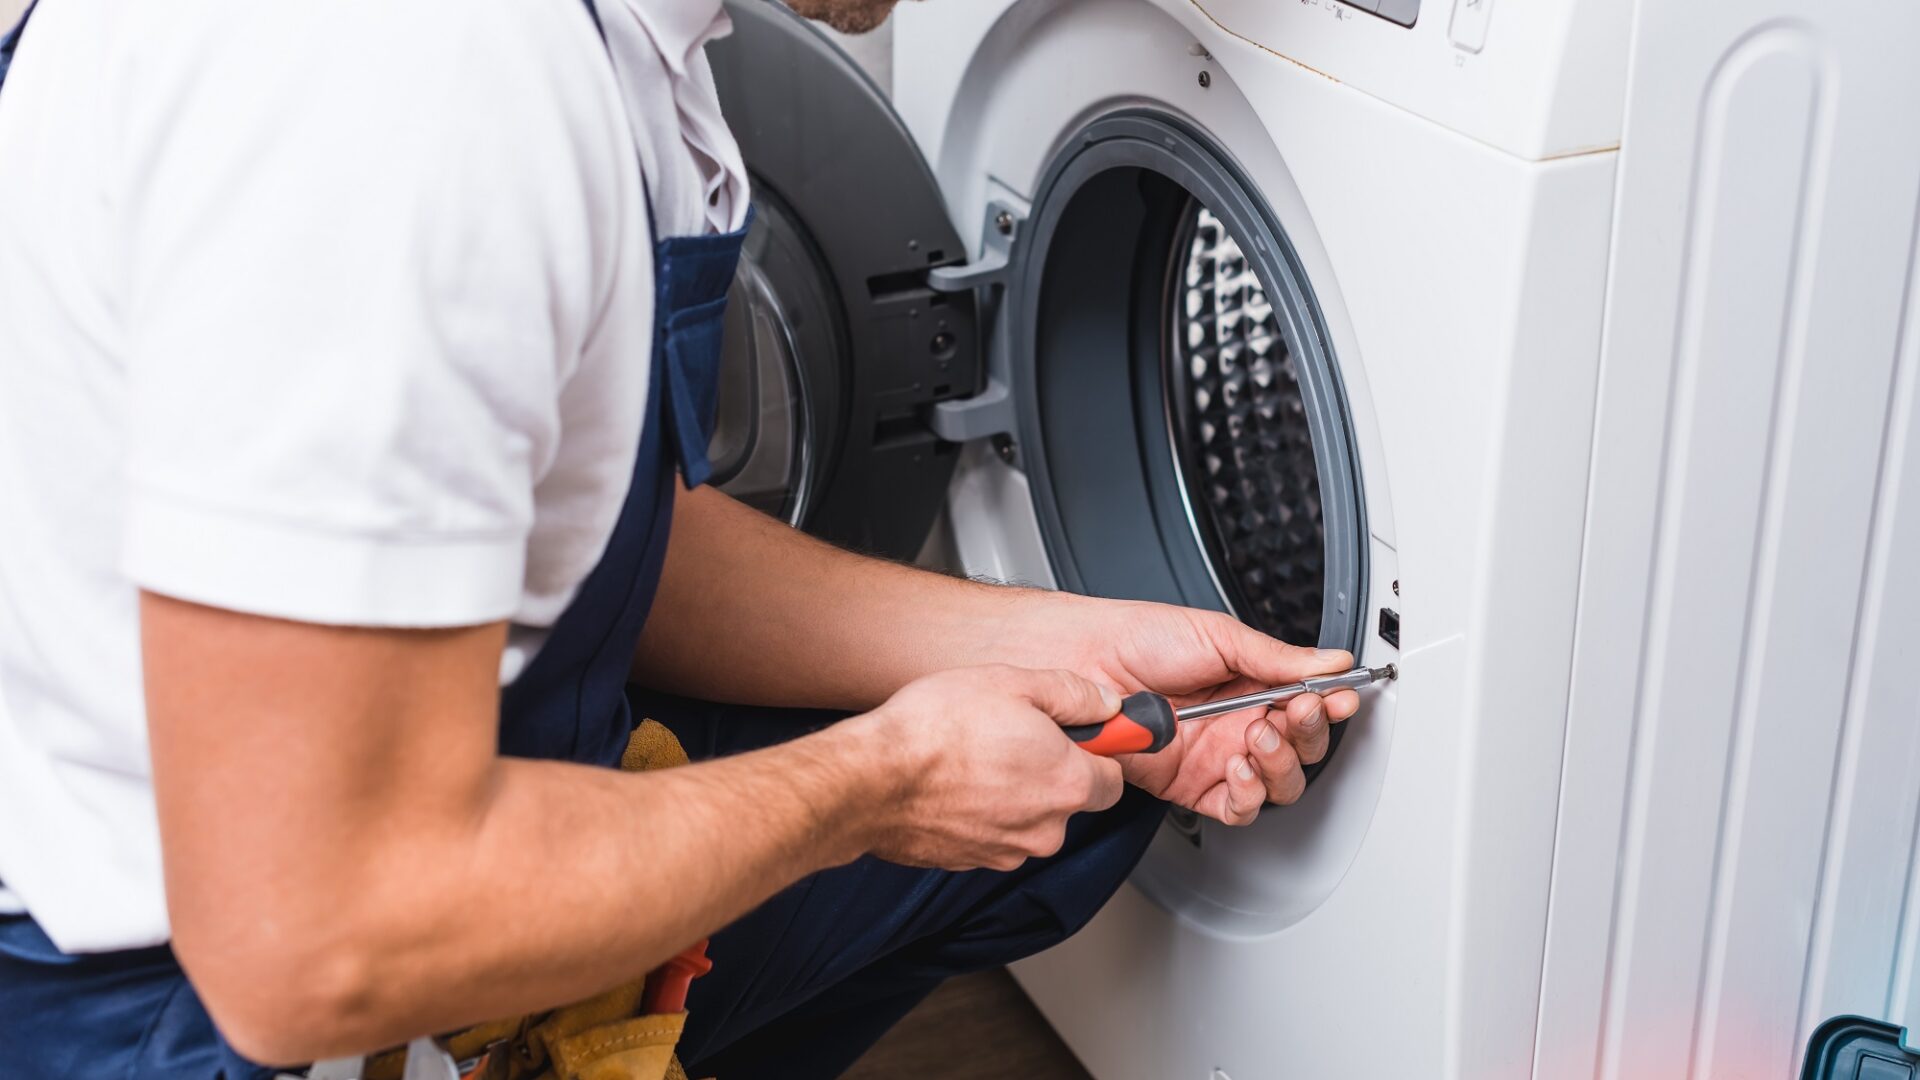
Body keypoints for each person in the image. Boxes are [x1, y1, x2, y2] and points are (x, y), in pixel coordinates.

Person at [0, 0, 1361, 1076]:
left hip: (369, 815)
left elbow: (584, 538)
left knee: (1077, 801)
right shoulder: (415, 84)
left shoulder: (619, 45)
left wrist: (1068, 640)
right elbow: (311, 935)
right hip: (164, 1004)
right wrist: (879, 781)